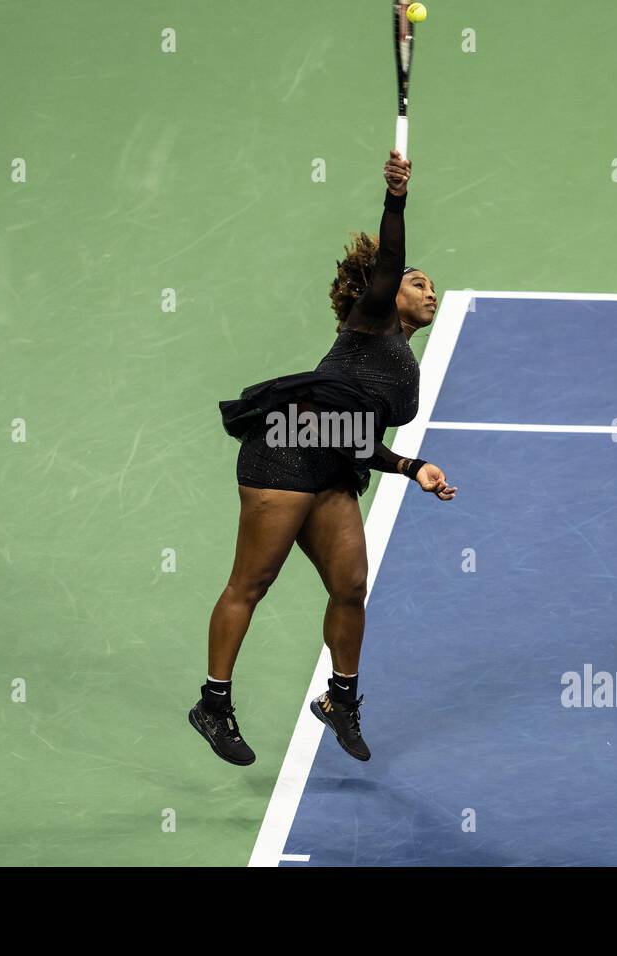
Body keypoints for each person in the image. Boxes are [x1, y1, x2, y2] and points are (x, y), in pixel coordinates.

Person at [190, 150, 457, 766]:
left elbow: (356, 435)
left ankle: (340, 700)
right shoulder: (370, 324)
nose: (429, 290)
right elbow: (389, 259)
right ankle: (214, 703)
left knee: (351, 586)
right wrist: (396, 197)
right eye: (418, 282)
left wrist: (412, 467)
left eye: (431, 286)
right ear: (386, 296)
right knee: (251, 582)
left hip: (333, 462)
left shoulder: (402, 366)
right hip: (284, 447)